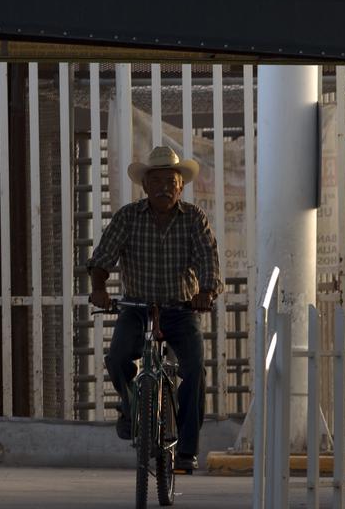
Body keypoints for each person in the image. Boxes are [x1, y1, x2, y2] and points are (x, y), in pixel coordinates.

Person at [87, 146, 222, 472]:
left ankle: (187, 452)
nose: (164, 187)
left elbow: (207, 259)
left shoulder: (194, 218)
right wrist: (99, 289)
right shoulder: (128, 216)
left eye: (171, 181)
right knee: (118, 357)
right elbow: (102, 258)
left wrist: (205, 291)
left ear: (181, 186)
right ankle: (132, 404)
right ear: (145, 186)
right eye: (157, 180)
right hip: (136, 307)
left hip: (180, 308)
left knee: (193, 370)